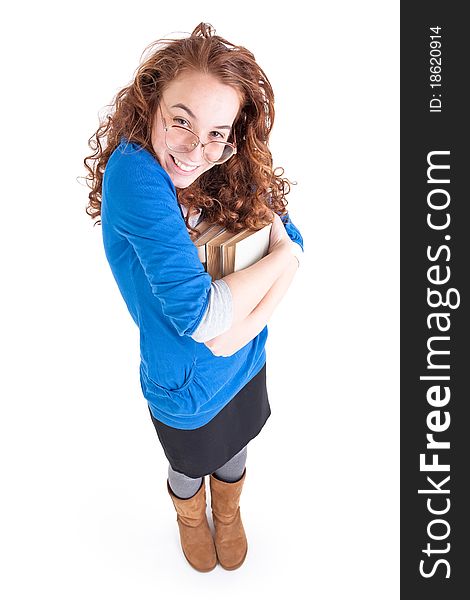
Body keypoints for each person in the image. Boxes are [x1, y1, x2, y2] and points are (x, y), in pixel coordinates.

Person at [83, 22, 304, 573]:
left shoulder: (226, 156)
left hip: (245, 360)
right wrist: (284, 264)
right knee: (190, 463)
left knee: (235, 450)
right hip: (182, 379)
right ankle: (190, 516)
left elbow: (289, 231)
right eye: (181, 121)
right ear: (151, 101)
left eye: (216, 133)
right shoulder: (135, 173)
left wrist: (243, 329)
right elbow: (203, 319)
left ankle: (227, 513)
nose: (195, 149)